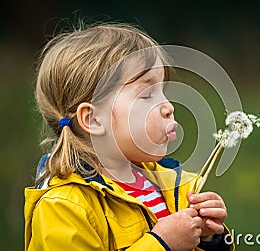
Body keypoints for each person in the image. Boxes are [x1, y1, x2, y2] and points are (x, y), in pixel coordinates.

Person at [24, 23, 234, 251]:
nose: (168, 107)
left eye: (164, 91)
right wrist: (161, 244)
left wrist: (210, 240)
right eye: (147, 95)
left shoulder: (170, 186)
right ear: (93, 119)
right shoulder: (64, 206)